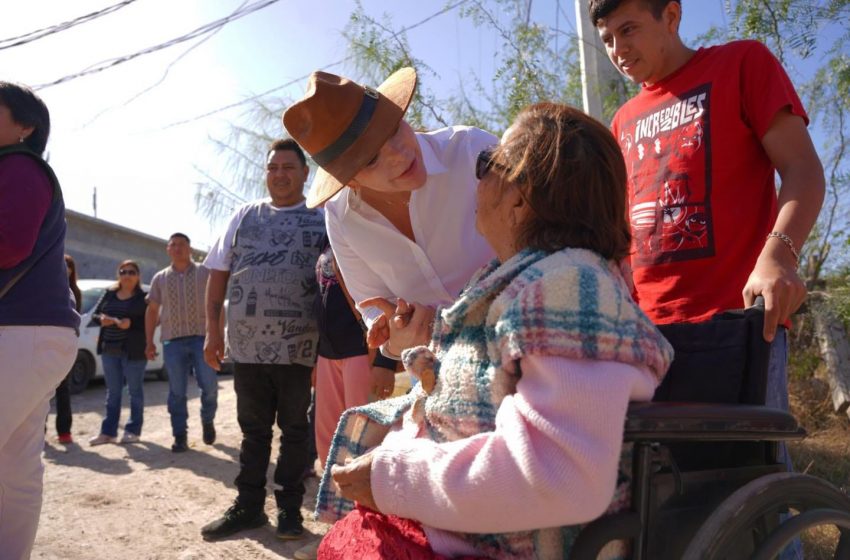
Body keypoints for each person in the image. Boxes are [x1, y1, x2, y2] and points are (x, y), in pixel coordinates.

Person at [313, 103, 673, 559]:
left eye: (488, 164)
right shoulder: (529, 281)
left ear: (521, 198)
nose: (474, 174)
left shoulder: (567, 289)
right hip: (457, 520)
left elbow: (561, 474)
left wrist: (391, 478)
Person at [590, 0, 825, 412]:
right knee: (656, 474)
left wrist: (779, 258)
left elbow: (803, 169)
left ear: (671, 16)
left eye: (628, 30)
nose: (617, 49)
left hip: (738, 325)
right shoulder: (621, 121)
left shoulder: (741, 64)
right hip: (645, 336)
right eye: (607, 39)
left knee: (746, 464)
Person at [282, 67, 497, 362]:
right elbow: (373, 306)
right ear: (349, 180)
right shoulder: (341, 219)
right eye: (371, 158)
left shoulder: (472, 151)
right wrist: (396, 337)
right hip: (443, 372)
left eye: (393, 128)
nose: (398, 154)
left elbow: (548, 235)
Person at [201, 138, 324, 542]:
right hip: (248, 346)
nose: (280, 174)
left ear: (305, 173)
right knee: (254, 430)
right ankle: (248, 508)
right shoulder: (244, 215)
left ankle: (290, 511)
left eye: (288, 167)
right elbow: (218, 270)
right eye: (273, 167)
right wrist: (211, 330)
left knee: (294, 430)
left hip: (299, 346)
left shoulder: (322, 217)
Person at [0, 81, 80, 560]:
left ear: (25, 127)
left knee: (17, 472)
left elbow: (8, 244)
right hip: (33, 334)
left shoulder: (19, 164)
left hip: (18, 332)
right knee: (16, 471)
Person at [145, 232, 218, 453]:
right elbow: (152, 310)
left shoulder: (205, 273)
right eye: (173, 245)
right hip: (172, 342)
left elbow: (216, 305)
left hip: (201, 339)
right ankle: (180, 436)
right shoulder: (160, 278)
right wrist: (149, 341)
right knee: (177, 391)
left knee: (209, 386)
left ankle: (207, 420)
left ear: (190, 248)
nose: (177, 248)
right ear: (168, 249)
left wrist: (218, 336)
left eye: (182, 244)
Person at [88, 260, 148, 446]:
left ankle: (132, 431)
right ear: (118, 275)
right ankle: (108, 433)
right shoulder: (109, 294)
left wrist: (132, 324)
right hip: (109, 349)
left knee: (135, 392)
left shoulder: (143, 297)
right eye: (123, 271)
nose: (127, 275)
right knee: (113, 393)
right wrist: (102, 320)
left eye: (131, 272)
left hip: (133, 351)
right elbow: (94, 315)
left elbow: (152, 321)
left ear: (137, 276)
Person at [53, 254, 82, 444]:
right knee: (41, 392)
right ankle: (40, 432)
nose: (65, 268)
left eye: (68, 265)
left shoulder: (75, 292)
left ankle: (64, 432)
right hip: (45, 343)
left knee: (63, 389)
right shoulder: (46, 287)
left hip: (63, 345)